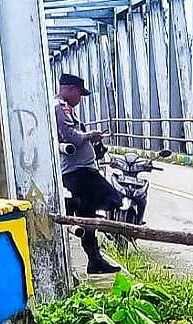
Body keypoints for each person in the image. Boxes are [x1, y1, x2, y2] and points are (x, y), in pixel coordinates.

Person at [55, 73, 124, 274]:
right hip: (79, 172)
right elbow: (70, 136)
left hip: (79, 171)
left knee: (88, 218)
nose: (80, 99)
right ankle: (71, 207)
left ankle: (95, 261)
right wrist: (90, 135)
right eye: (79, 94)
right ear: (71, 89)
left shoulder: (63, 107)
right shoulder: (61, 107)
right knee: (113, 198)